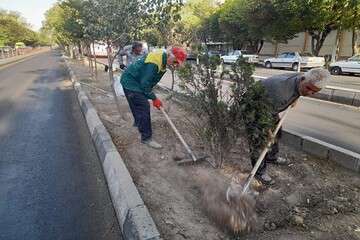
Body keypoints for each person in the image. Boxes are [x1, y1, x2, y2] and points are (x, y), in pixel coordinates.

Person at [244, 68, 331, 184]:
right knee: (260, 140)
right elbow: (263, 116)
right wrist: (267, 131)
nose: (310, 93)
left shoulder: (303, 79)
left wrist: (296, 97)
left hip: (269, 106)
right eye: (308, 89)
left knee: (277, 132)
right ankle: (259, 173)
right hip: (253, 107)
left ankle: (271, 157)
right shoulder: (280, 92)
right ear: (302, 79)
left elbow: (299, 90)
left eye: (314, 92)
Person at [120, 47, 187, 149]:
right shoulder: (155, 63)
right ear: (170, 56)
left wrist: (150, 95)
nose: (175, 65)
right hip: (131, 82)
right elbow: (145, 84)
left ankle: (139, 123)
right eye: (175, 62)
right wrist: (154, 98)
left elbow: (151, 81)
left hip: (135, 81)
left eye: (177, 64)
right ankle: (146, 138)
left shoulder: (163, 60)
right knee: (143, 106)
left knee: (137, 103)